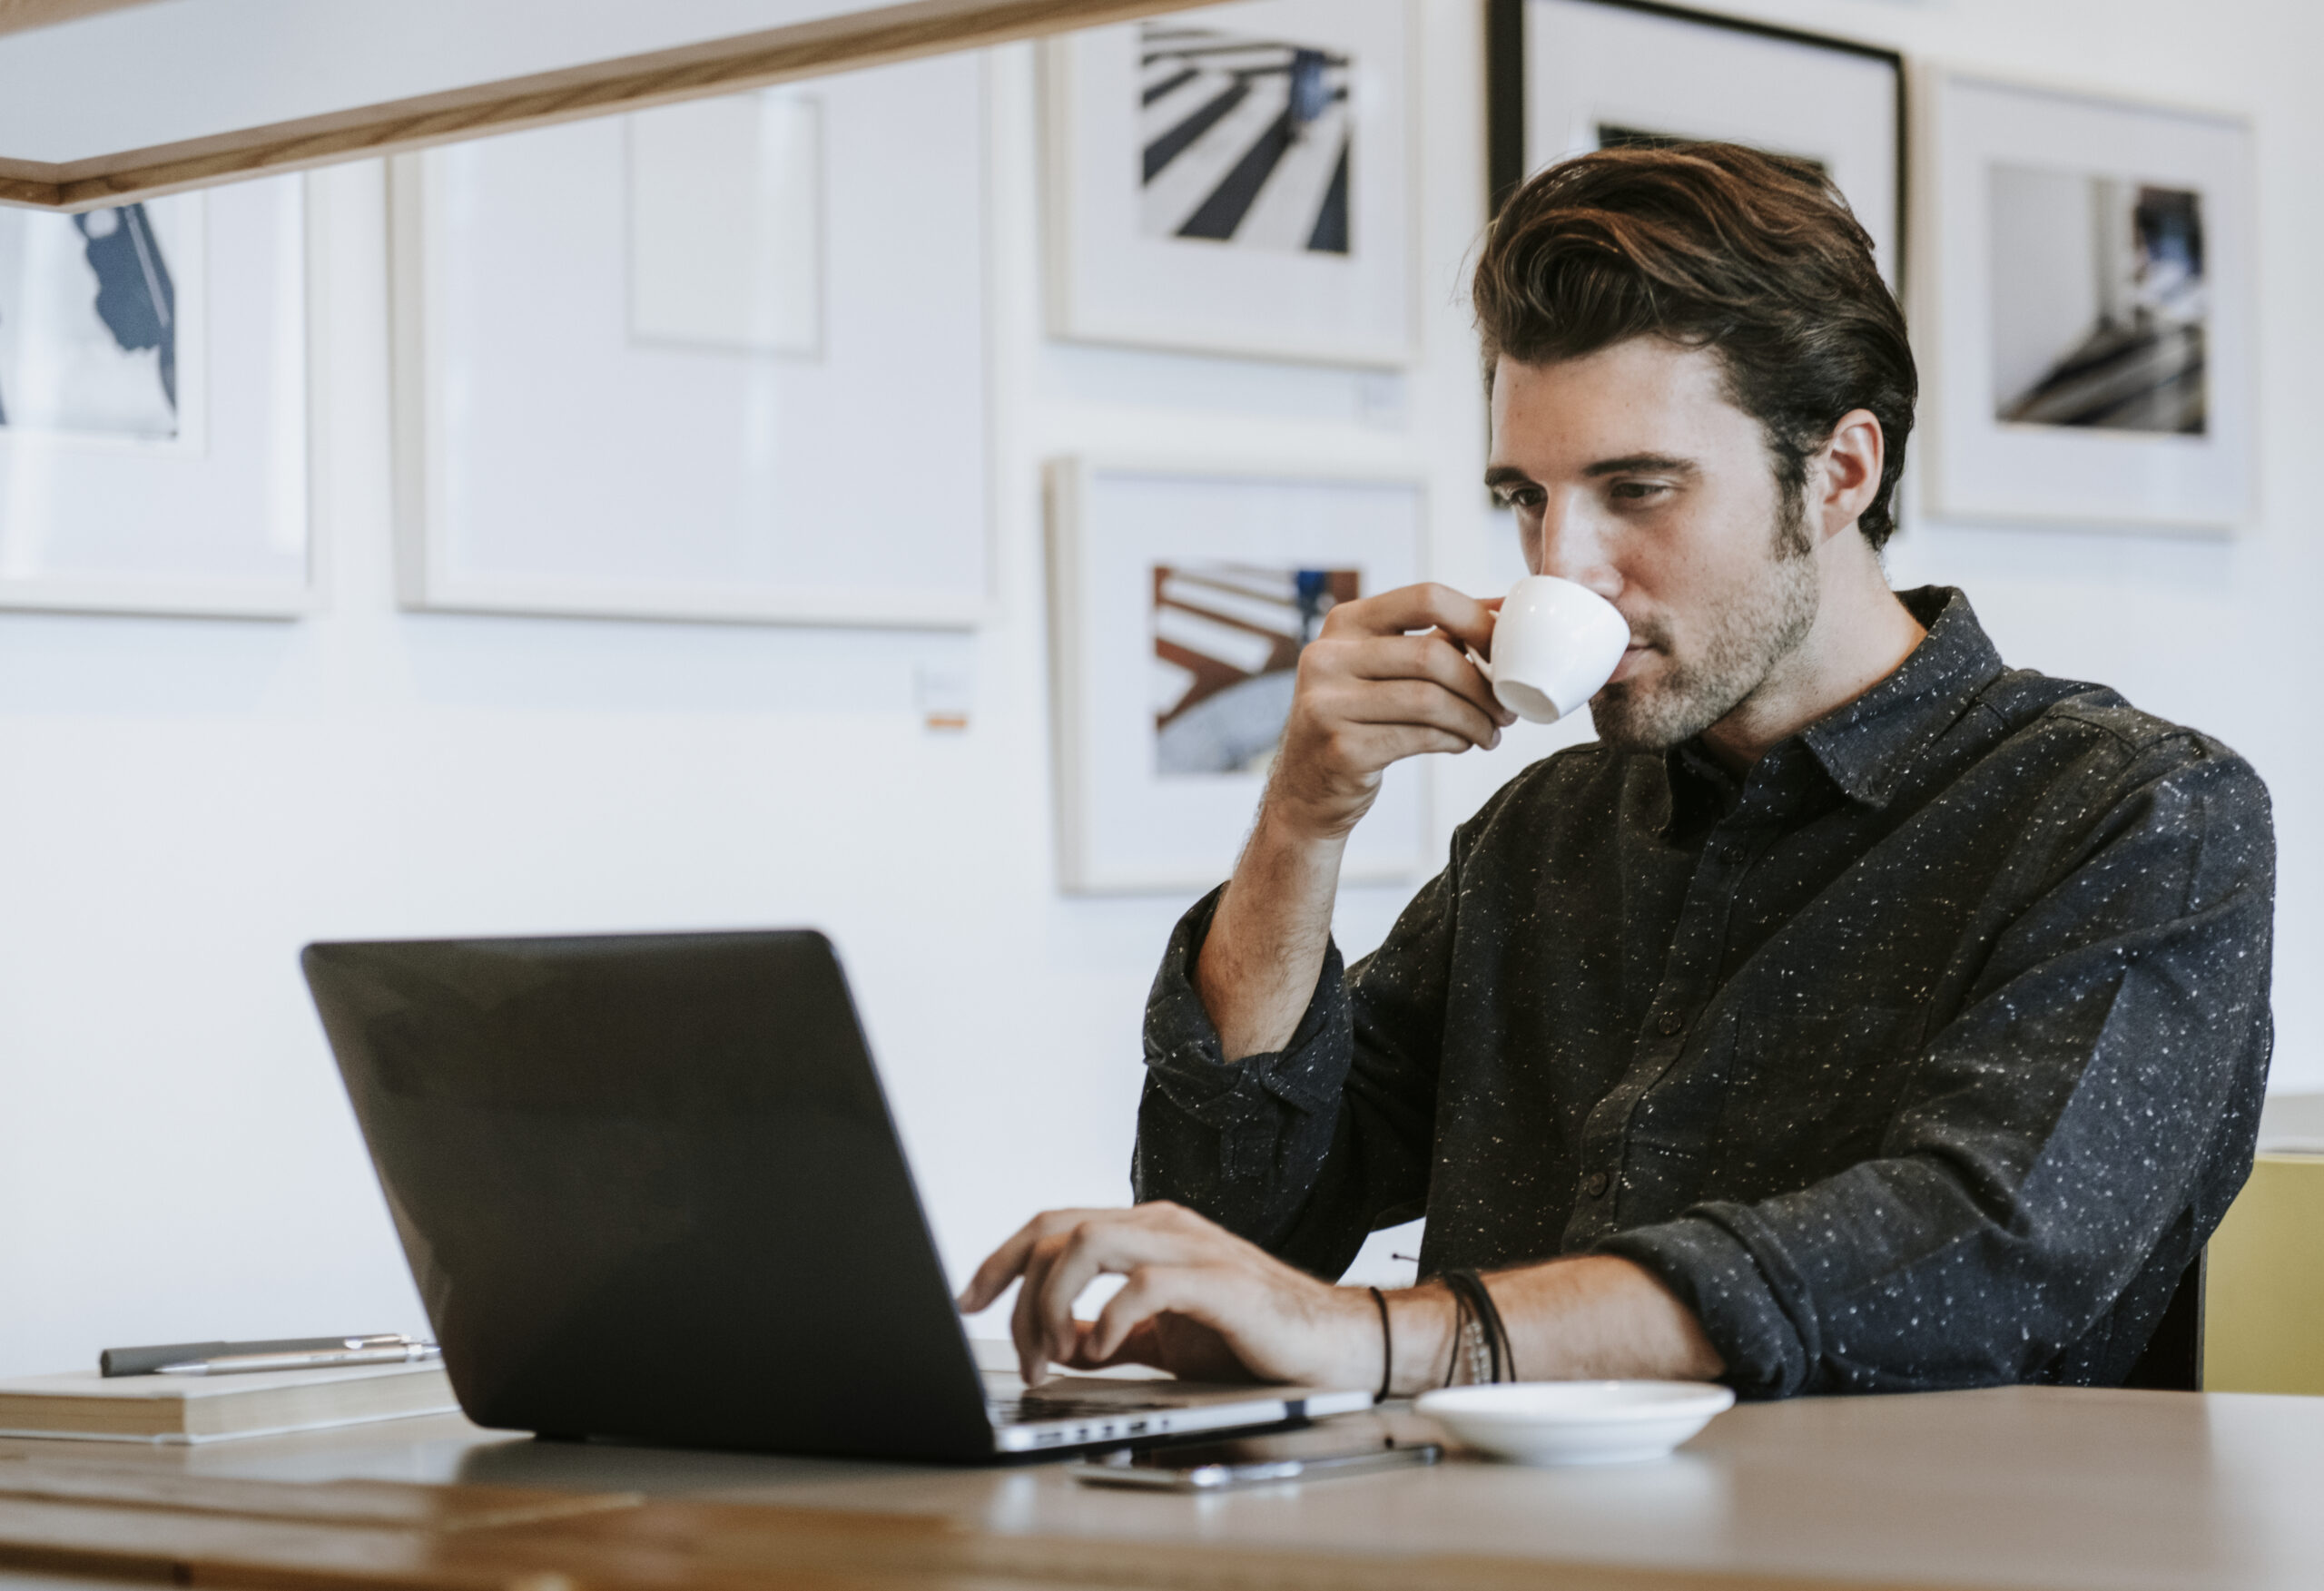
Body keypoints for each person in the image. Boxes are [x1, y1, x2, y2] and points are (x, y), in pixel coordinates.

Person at [960, 144, 2274, 1400]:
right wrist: (1301, 826)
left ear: (1839, 472)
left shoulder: (2138, 814)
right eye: (1526, 497)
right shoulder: (1544, 834)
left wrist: (1402, 1339)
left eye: (1636, 489)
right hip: (1494, 1545)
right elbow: (1240, 1216)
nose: (1561, 564)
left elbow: (1976, 1249)